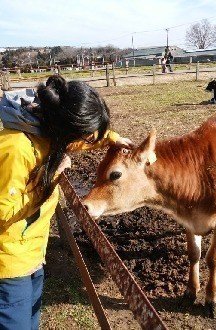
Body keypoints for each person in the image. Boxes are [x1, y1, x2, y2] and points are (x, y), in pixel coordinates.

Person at [0, 75, 130, 329]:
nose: (85, 142)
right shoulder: (15, 148)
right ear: (64, 128)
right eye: (85, 135)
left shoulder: (44, 129)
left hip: (31, 251)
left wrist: (110, 138)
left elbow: (77, 141)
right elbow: (4, 211)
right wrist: (52, 177)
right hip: (8, 261)